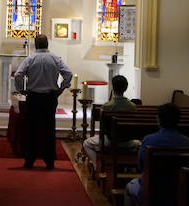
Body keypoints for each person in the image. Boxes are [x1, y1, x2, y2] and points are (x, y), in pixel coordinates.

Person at [123, 102, 189, 206]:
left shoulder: (149, 140)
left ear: (158, 119)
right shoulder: (187, 142)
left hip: (151, 189)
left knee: (129, 188)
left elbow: (141, 165)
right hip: (178, 191)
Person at [13, 34, 72, 169]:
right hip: (50, 98)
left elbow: (18, 75)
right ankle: (49, 161)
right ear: (47, 44)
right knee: (49, 129)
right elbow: (68, 74)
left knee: (31, 129)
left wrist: (21, 90)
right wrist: (61, 89)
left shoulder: (31, 58)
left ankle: (30, 160)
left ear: (35, 44)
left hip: (33, 97)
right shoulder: (55, 58)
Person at [81, 75, 138, 166]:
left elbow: (103, 129)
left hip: (110, 141)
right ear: (126, 88)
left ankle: (98, 166)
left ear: (113, 88)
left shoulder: (106, 106)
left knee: (86, 143)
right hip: (128, 141)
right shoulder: (132, 106)